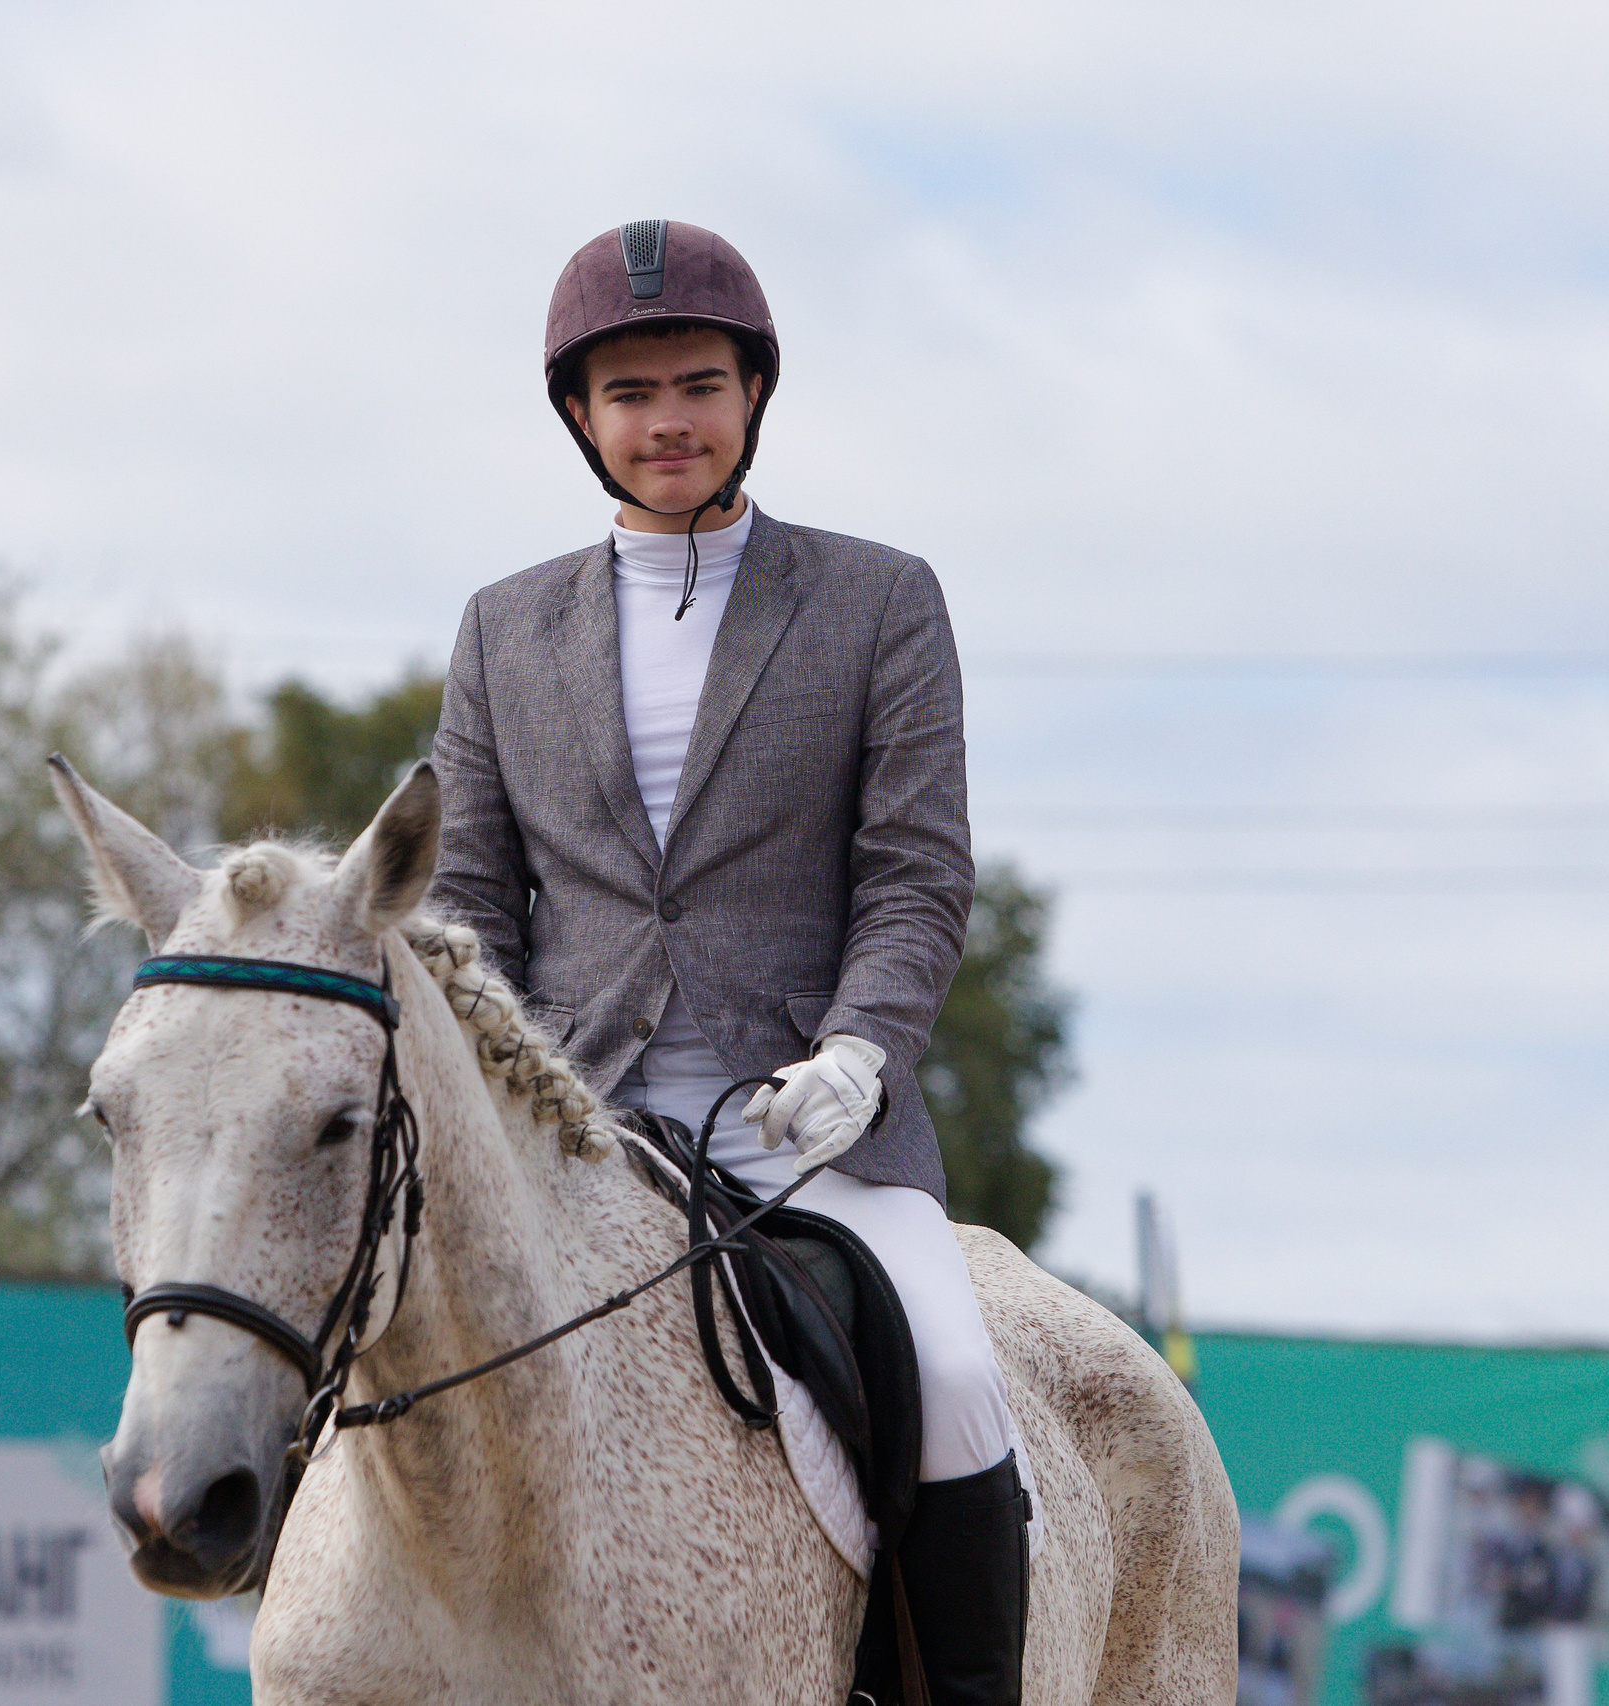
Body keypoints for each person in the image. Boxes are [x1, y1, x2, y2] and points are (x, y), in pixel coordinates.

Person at [430, 219, 1027, 1704]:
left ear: (754, 391)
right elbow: (469, 905)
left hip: (806, 1127)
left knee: (956, 1378)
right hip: (578, 1127)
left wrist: (861, 1050)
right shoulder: (503, 630)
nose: (669, 422)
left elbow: (914, 873)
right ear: (582, 417)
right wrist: (503, 1092)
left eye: (699, 384)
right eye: (631, 394)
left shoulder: (880, 599)